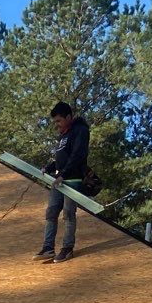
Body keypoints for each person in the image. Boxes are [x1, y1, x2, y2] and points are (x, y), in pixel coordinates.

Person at [35, 101, 90, 264]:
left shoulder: (80, 130)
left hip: (72, 179)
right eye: (55, 122)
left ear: (68, 117)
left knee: (68, 214)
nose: (57, 124)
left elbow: (78, 155)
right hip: (59, 180)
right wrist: (49, 168)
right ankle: (48, 247)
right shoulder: (63, 135)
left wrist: (63, 174)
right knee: (51, 212)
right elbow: (60, 158)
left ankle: (67, 248)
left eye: (59, 120)